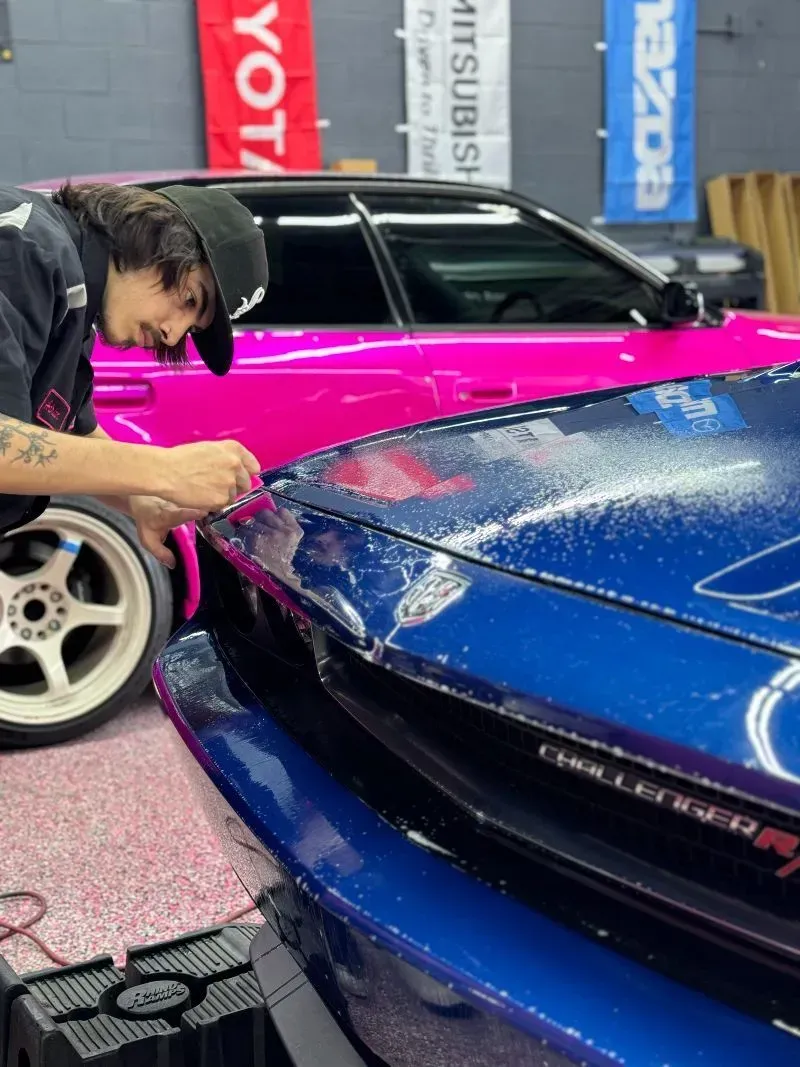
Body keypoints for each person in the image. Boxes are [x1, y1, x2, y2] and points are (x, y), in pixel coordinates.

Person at [0, 179, 269, 568]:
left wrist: (139, 498)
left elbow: (72, 434)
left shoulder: (73, 302)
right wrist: (162, 470)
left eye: (192, 328)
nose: (173, 334)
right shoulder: (23, 249)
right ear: (155, 237)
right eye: (191, 299)